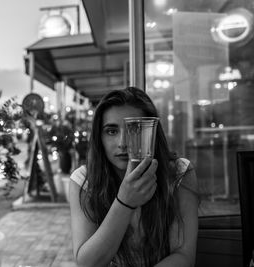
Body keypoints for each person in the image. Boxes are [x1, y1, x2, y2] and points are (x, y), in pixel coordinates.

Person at [69, 87, 198, 267]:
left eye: (135, 129)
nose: (122, 143)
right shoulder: (84, 180)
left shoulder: (178, 173)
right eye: (111, 131)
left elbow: (184, 256)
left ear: (151, 132)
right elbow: (87, 263)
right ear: (99, 137)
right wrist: (124, 201)